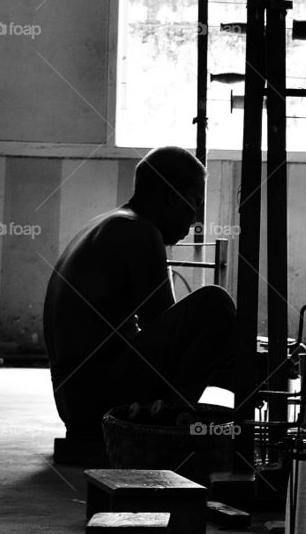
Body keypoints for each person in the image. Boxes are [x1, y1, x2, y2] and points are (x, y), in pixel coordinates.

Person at [43, 145, 237, 439]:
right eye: (194, 204)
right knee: (215, 304)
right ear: (171, 197)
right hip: (97, 401)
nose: (194, 220)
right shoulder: (140, 232)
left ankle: (169, 414)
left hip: (76, 401)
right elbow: (168, 333)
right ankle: (170, 424)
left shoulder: (111, 223)